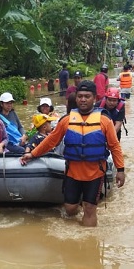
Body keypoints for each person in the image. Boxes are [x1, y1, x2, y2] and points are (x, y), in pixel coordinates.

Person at [21, 80, 125, 227]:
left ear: (95, 98)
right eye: (80, 96)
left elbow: (114, 146)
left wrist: (120, 170)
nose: (83, 99)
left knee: (89, 209)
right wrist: (33, 154)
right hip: (72, 172)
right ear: (76, 98)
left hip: (95, 173)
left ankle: (88, 244)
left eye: (87, 96)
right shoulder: (66, 120)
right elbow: (51, 141)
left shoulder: (104, 120)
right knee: (70, 209)